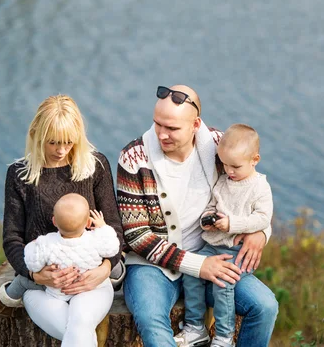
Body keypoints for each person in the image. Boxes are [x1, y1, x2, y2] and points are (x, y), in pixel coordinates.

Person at [116, 85, 278, 347]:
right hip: (153, 266)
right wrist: (197, 265)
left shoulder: (218, 145)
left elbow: (252, 189)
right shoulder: (134, 157)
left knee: (264, 306)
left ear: (195, 125)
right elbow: (137, 236)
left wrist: (261, 232)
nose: (162, 135)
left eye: (172, 128)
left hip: (211, 254)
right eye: (158, 124)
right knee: (151, 321)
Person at [0, 94, 124, 344]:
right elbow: (12, 239)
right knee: (77, 332)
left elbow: (113, 228)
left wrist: (105, 269)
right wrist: (36, 276)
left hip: (92, 281)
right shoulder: (19, 175)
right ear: (36, 133)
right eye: (53, 142)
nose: (61, 150)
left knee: (78, 326)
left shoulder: (95, 166)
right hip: (42, 288)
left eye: (68, 142)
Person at [180, 124, 273, 347]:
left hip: (235, 251)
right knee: (191, 273)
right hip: (211, 246)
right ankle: (194, 326)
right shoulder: (223, 182)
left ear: (255, 159)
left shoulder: (259, 186)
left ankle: (224, 336)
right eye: (224, 164)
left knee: (223, 283)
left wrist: (232, 224)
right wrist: (208, 219)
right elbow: (211, 206)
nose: (228, 170)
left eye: (235, 166)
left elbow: (262, 218)